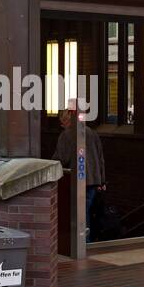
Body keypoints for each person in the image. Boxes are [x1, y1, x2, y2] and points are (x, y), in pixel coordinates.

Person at [51, 99, 106, 241]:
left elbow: (60, 159)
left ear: (68, 119)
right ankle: (86, 241)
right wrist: (102, 181)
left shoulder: (66, 135)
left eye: (62, 121)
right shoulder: (92, 133)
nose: (61, 124)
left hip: (76, 180)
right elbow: (100, 158)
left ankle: (82, 242)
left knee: (79, 213)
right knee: (86, 211)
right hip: (94, 181)